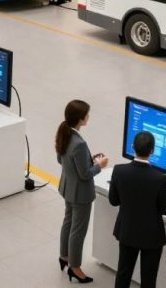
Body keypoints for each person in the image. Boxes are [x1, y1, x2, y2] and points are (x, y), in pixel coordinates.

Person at [110, 131, 166, 288]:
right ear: (152, 151)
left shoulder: (119, 170)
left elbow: (113, 200)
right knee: (148, 279)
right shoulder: (159, 178)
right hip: (151, 236)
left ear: (132, 147)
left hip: (127, 231)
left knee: (123, 273)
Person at [56, 99, 109, 283]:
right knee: (78, 231)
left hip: (67, 187)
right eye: (86, 114)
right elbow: (86, 175)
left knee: (68, 222)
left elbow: (61, 160)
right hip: (80, 194)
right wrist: (99, 165)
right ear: (80, 119)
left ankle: (64, 256)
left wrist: (88, 159)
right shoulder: (79, 143)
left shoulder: (64, 133)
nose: (88, 117)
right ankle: (75, 268)